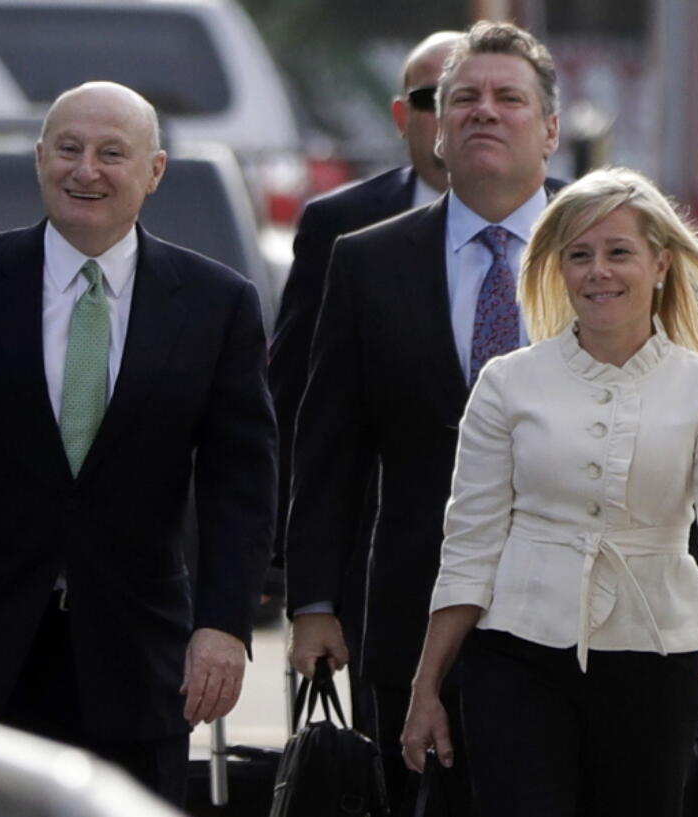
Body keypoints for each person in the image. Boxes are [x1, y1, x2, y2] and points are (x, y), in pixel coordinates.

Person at [0, 81, 276, 806]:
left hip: (138, 657)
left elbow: (241, 481)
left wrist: (223, 625)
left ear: (153, 171)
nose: (85, 170)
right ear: (39, 160)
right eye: (67, 149)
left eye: (110, 153)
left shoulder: (216, 302)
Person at [399, 166, 698, 817]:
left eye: (618, 252)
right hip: (515, 655)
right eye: (579, 254)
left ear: (661, 263)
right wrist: (426, 687)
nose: (597, 271)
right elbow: (469, 544)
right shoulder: (506, 382)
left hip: (656, 657)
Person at [285, 21, 564, 814]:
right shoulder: (368, 260)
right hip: (411, 614)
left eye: (509, 98)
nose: (485, 112)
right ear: (435, 129)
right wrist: (312, 605)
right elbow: (327, 445)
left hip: (578, 619)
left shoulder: (609, 253)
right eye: (464, 99)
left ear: (548, 129)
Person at [269, 29, 461, 731]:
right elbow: (300, 403)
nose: (456, 112)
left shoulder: (577, 226)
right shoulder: (341, 227)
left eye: (477, 96)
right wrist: (301, 581)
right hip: (384, 572)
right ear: (400, 115)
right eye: (432, 97)